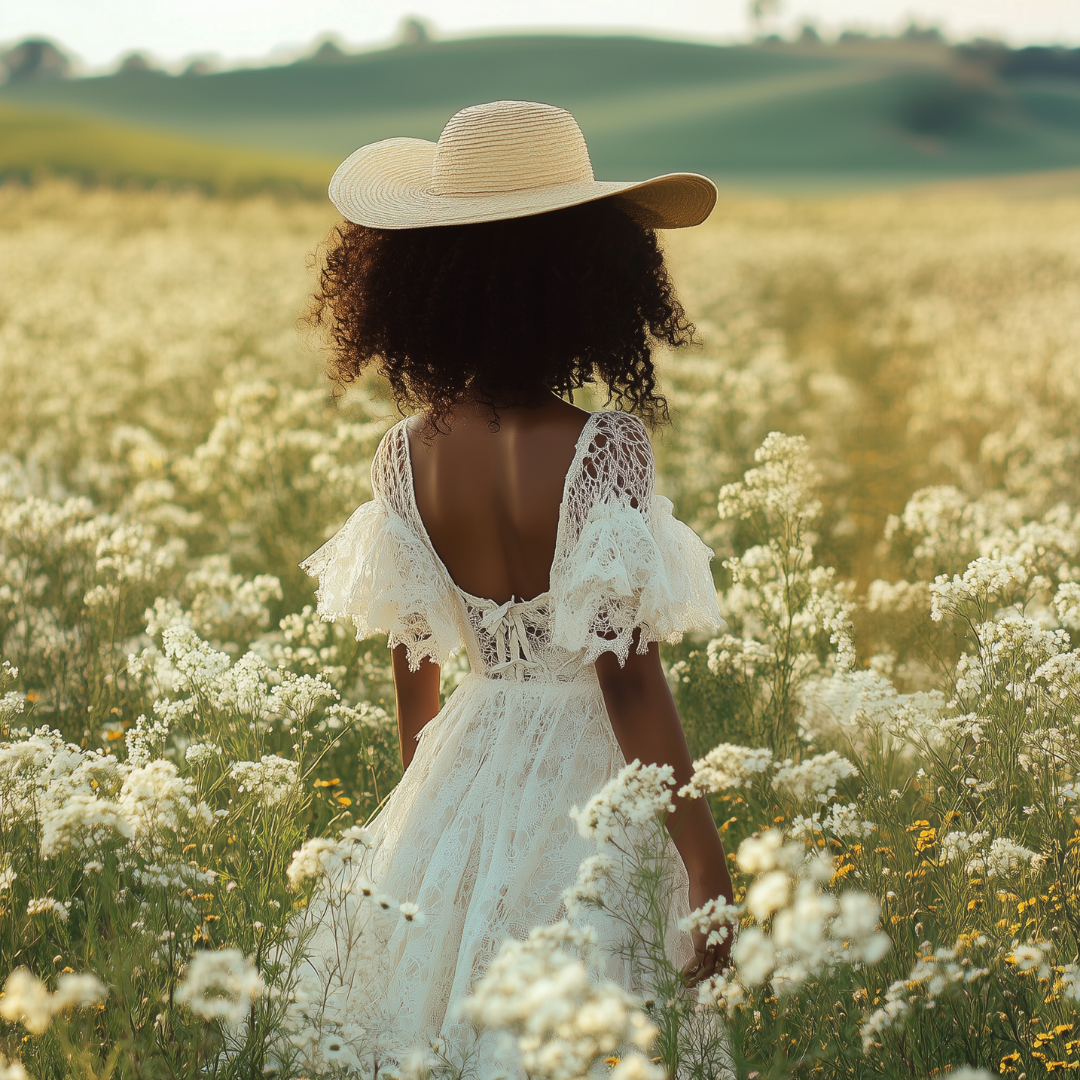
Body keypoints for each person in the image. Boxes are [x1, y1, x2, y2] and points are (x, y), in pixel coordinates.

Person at [299, 99, 733, 1069]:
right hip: (589, 776)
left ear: (426, 288)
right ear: (583, 282)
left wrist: (439, 820)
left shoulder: (402, 456)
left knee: (438, 1020)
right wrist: (704, 860)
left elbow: (416, 674)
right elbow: (626, 677)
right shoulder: (603, 448)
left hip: (465, 757)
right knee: (589, 1022)